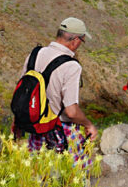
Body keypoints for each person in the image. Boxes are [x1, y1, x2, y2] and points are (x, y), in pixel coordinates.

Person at [20, 17, 98, 168]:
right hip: (59, 128)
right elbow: (71, 111)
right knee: (76, 173)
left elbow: (23, 91)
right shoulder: (71, 66)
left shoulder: (35, 54)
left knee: (37, 170)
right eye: (82, 40)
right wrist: (89, 125)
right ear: (75, 40)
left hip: (34, 126)